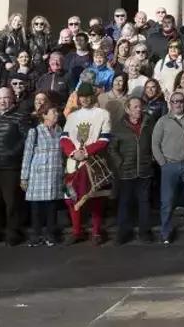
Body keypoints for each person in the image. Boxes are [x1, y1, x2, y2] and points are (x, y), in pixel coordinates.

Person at [60, 83, 112, 246]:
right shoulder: (72, 116)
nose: (84, 99)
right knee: (71, 196)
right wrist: (73, 152)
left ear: (93, 97)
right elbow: (64, 138)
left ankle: (96, 231)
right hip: (73, 162)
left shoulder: (103, 114)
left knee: (96, 197)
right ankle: (77, 231)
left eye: (87, 96)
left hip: (94, 160)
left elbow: (104, 139)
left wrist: (86, 152)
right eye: (81, 96)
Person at [0, 88, 30, 246]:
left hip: (10, 166)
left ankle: (13, 233)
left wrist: (12, 153)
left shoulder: (20, 116)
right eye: (0, 98)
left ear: (13, 98)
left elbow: (26, 138)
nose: (3, 101)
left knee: (12, 202)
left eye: (6, 98)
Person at [152, 90, 184, 244]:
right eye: (175, 101)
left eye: (181, 101)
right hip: (169, 165)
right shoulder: (162, 121)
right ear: (170, 104)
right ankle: (165, 232)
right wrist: (163, 163)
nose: (178, 104)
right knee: (167, 201)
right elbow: (155, 144)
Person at [109, 97, 155, 244]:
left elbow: (155, 143)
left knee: (144, 202)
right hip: (126, 171)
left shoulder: (149, 123)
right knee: (125, 202)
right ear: (127, 109)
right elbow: (112, 149)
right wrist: (120, 163)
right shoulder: (119, 126)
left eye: (140, 106)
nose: (138, 109)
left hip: (144, 169)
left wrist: (151, 159)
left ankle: (145, 232)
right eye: (135, 107)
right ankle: (124, 232)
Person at [20, 106, 64, 247]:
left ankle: (50, 235)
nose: (56, 114)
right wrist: (24, 177)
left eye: (56, 112)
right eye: (53, 112)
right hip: (38, 175)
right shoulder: (35, 131)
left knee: (52, 206)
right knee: (37, 207)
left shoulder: (59, 130)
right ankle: (36, 235)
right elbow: (27, 154)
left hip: (54, 173)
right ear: (44, 115)